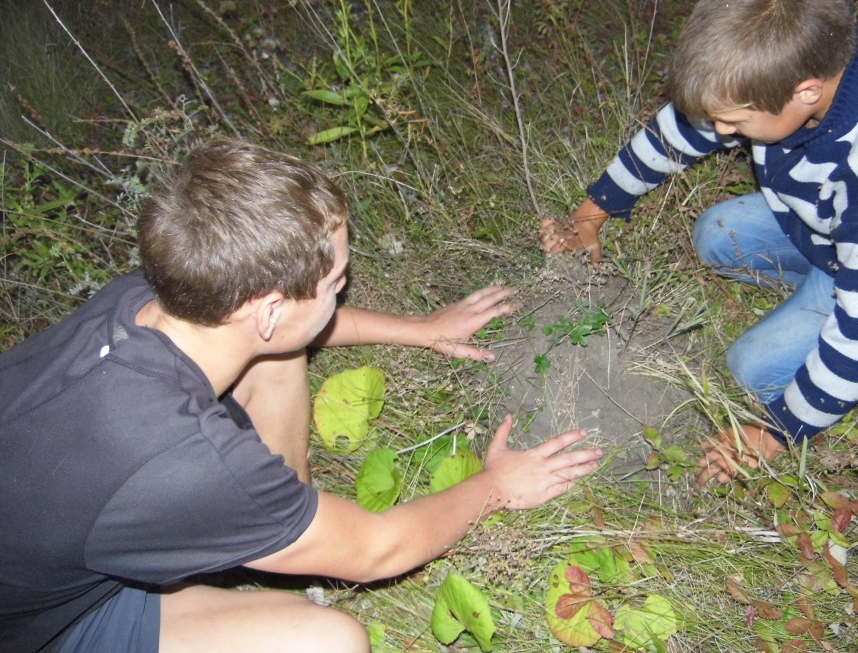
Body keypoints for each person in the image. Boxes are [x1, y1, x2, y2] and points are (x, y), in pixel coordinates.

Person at [0, 139, 603, 653]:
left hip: (67, 531)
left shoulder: (144, 298)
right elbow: (378, 551)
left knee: (280, 356)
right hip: (45, 629)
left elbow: (286, 327)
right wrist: (495, 485)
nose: (343, 291)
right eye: (336, 282)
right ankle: (279, 527)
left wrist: (421, 329)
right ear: (267, 307)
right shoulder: (184, 461)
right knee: (331, 642)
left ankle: (276, 521)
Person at [539, 0, 858, 487]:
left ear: (806, 90)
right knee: (715, 236)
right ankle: (856, 286)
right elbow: (682, 130)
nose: (720, 131)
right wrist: (590, 215)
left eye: (734, 123)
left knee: (754, 369)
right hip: (843, 231)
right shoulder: (811, 54)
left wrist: (776, 433)